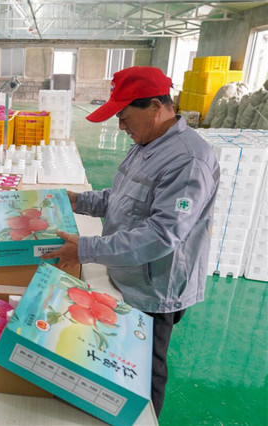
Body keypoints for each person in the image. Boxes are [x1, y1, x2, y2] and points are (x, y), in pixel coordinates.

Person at [41, 66, 220, 417]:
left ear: (155, 107)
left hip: (154, 287)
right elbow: (122, 198)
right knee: (120, 363)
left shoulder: (188, 160)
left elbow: (162, 234)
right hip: (127, 275)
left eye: (124, 116)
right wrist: (79, 200)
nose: (121, 126)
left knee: (144, 371)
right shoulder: (147, 143)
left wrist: (86, 248)